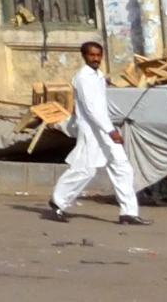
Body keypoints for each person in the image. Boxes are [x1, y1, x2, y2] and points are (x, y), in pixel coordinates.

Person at [51, 38, 141, 224]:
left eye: (98, 55)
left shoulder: (98, 75)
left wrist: (109, 129)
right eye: (91, 55)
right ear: (84, 56)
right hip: (92, 130)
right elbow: (91, 109)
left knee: (122, 167)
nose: (95, 58)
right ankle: (58, 201)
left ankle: (129, 212)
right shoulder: (83, 78)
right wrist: (111, 131)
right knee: (85, 170)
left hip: (105, 128)